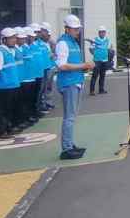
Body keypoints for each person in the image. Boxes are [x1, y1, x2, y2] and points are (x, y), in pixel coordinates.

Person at [56, 15, 95, 159]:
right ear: (66, 29)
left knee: (72, 116)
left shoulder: (73, 42)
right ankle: (66, 148)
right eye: (74, 29)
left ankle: (69, 144)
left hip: (76, 81)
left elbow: (73, 63)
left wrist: (83, 68)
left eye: (78, 29)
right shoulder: (63, 43)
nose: (77, 31)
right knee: (69, 117)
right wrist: (84, 66)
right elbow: (61, 65)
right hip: (69, 83)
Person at [0, 27, 21, 138]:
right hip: (4, 86)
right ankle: (1, 131)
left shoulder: (11, 51)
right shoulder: (0, 53)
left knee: (10, 108)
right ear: (4, 40)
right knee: (2, 109)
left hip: (13, 85)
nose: (14, 40)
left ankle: (9, 128)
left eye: (14, 38)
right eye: (11, 38)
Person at [39, 22, 56, 111]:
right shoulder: (39, 42)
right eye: (41, 31)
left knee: (49, 86)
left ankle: (48, 102)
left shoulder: (51, 42)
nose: (42, 32)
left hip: (51, 67)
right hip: (43, 68)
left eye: (43, 31)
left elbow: (54, 54)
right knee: (42, 86)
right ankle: (42, 103)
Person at [89, 26, 112, 96]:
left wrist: (109, 58)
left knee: (102, 75)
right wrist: (95, 54)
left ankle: (101, 89)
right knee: (95, 76)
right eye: (101, 32)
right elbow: (90, 49)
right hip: (97, 61)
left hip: (105, 60)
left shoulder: (107, 40)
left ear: (105, 33)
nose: (102, 33)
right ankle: (92, 91)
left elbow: (109, 49)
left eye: (103, 32)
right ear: (99, 33)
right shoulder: (95, 40)